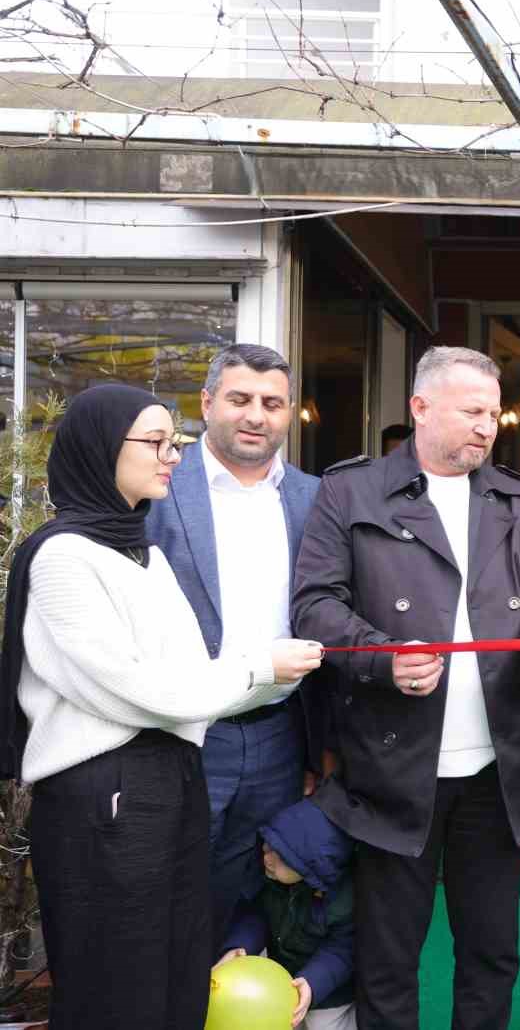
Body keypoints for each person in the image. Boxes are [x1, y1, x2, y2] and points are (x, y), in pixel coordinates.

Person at [0, 384, 322, 1030]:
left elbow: (190, 680)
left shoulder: (139, 551)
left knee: (175, 975)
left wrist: (268, 672)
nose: (172, 455)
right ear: (99, 450)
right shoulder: (64, 555)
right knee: (118, 987)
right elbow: (152, 690)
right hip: (105, 798)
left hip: (169, 780)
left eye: (173, 441)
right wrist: (262, 666)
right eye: (154, 441)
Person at [294, 346, 520, 1030]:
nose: (488, 426)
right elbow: (313, 605)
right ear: (420, 407)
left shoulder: (516, 496)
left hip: (498, 767)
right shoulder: (350, 491)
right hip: (394, 764)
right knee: (389, 957)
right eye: (472, 411)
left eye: (494, 413)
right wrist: (383, 657)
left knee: (492, 953)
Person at [145, 343, 325, 949]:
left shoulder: (313, 497)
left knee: (253, 894)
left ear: (289, 412)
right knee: (168, 890)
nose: (256, 415)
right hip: (185, 730)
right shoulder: (159, 491)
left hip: (281, 733)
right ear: (207, 403)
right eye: (240, 399)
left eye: (272, 403)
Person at [215, 798, 357, 1030]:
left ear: (310, 871)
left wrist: (312, 983)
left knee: (324, 1025)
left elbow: (341, 952)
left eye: (282, 858)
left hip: (329, 993)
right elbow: (255, 916)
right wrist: (240, 946)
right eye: (268, 846)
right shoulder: (271, 880)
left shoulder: (340, 903)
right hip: (281, 978)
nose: (267, 858)